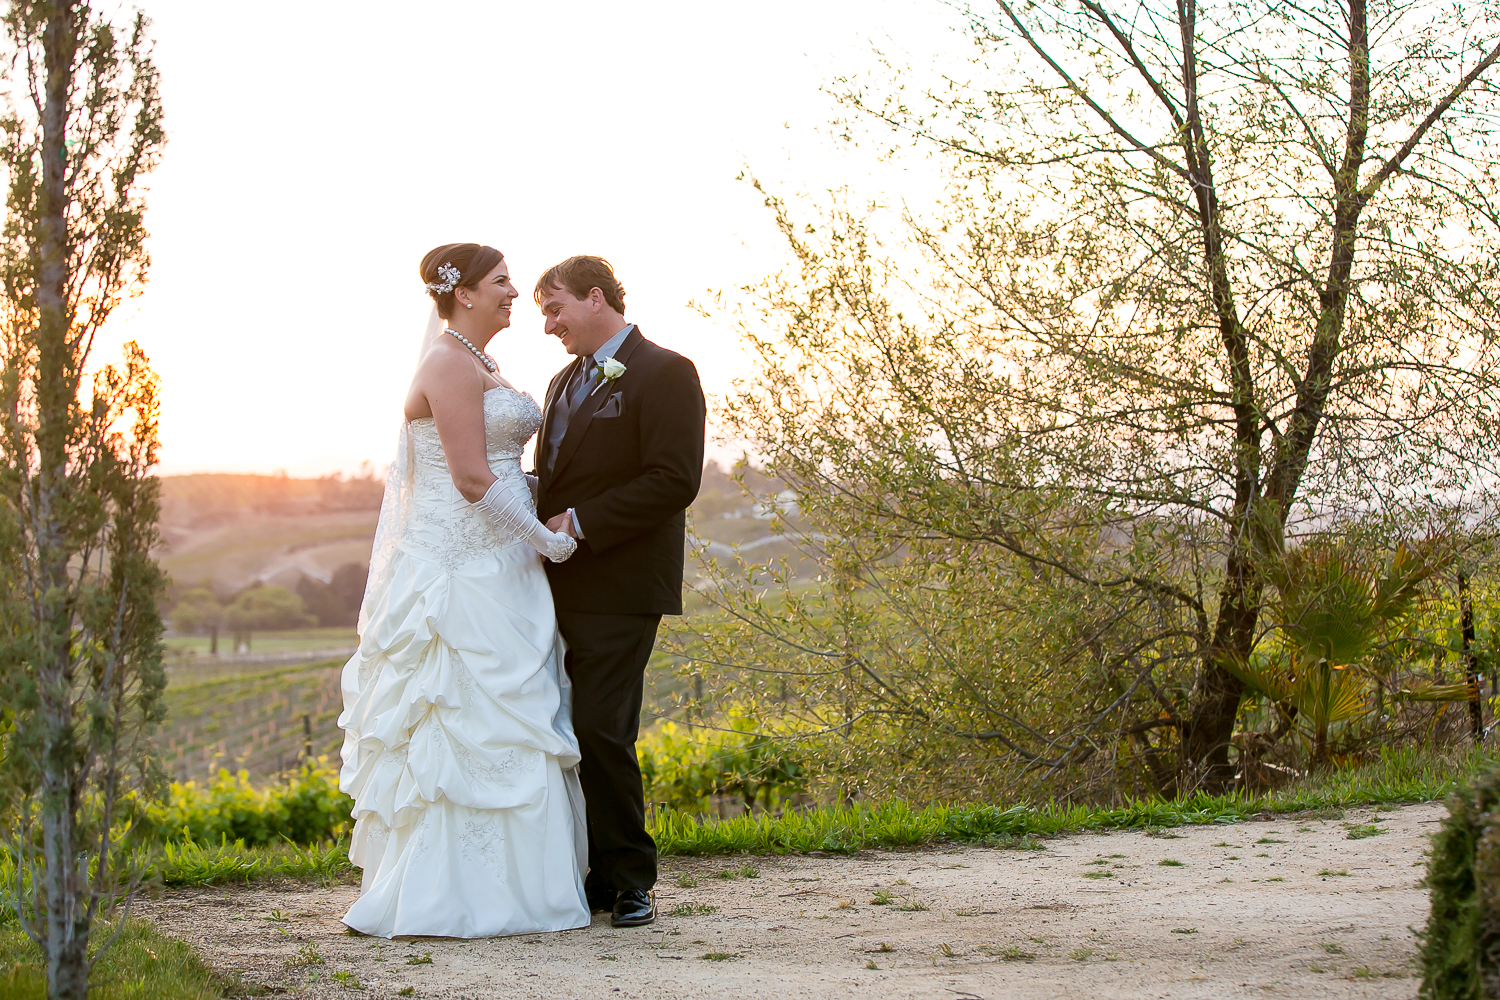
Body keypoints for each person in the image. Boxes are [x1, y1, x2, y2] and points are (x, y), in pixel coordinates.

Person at [336, 243, 588, 938]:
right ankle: (444, 894)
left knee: (516, 720)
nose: (515, 293)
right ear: (465, 293)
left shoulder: (483, 363)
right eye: (503, 281)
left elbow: (503, 470)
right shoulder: (448, 363)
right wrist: (550, 541)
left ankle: (522, 890)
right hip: (456, 575)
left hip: (504, 570)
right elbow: (473, 478)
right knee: (455, 719)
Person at [532, 255, 707, 928]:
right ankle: (597, 875)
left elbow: (674, 479)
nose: (547, 325)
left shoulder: (666, 372)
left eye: (556, 309)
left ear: (596, 296)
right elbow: (556, 480)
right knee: (563, 727)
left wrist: (580, 522)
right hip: (555, 581)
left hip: (623, 583)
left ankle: (633, 878)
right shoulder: (560, 382)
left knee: (601, 727)